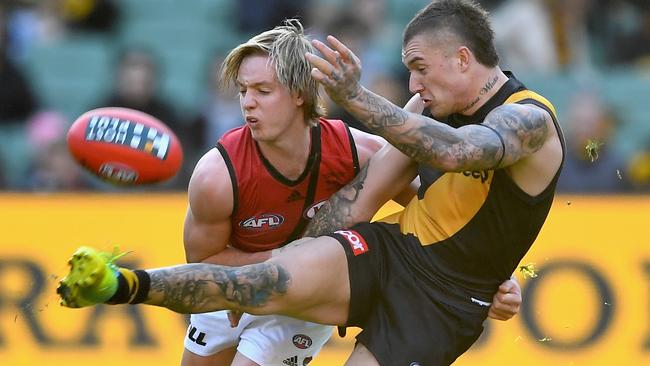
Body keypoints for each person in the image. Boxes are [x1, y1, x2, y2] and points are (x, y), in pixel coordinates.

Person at [55, 1, 552, 364]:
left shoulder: (530, 120)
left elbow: (455, 151)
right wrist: (263, 281)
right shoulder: (219, 169)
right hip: (389, 250)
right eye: (243, 91)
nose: (414, 86)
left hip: (441, 300)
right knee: (259, 283)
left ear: (462, 60)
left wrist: (496, 274)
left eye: (420, 69)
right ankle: (119, 284)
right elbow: (358, 204)